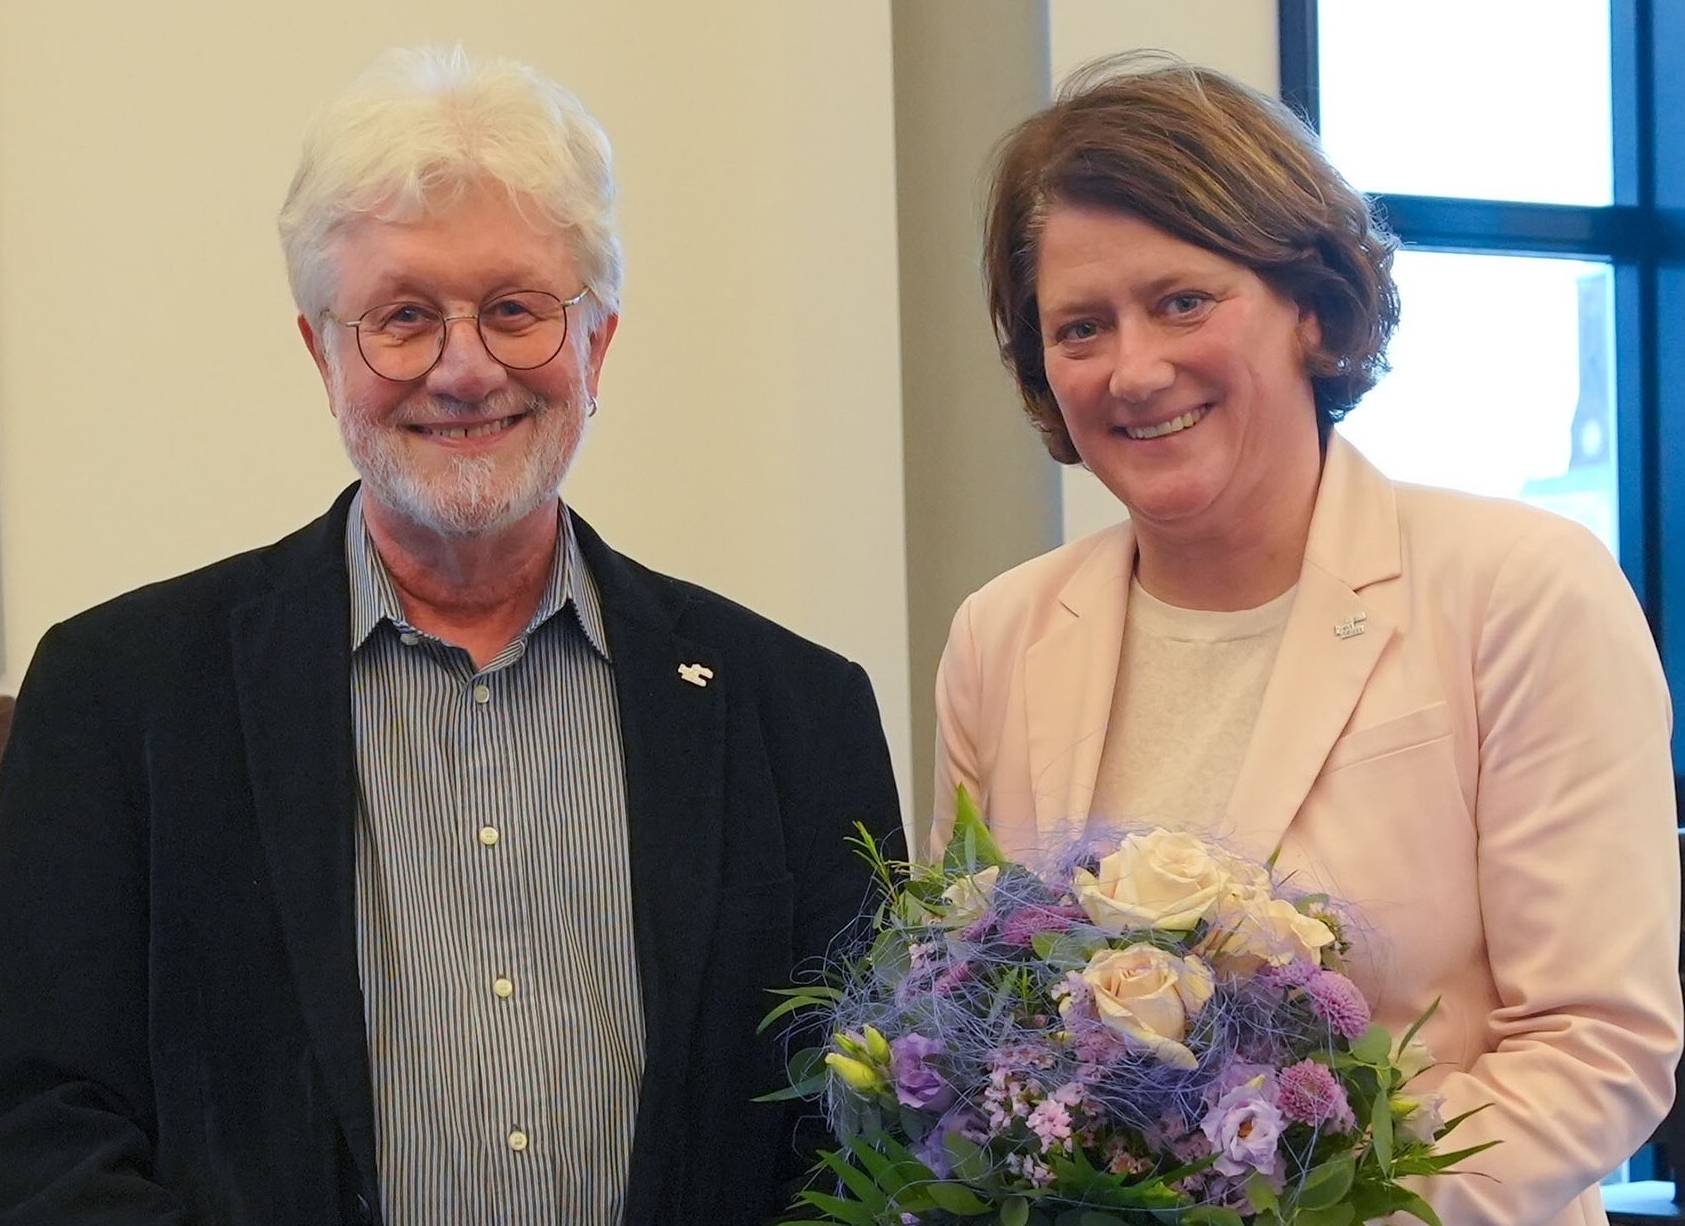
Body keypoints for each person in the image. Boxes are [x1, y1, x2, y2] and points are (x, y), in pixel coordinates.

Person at [0, 46, 901, 1225]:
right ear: (322, 352)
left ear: (599, 345)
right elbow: (41, 1122)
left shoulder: (800, 710)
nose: (464, 367)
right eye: (403, 316)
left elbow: (863, 1138)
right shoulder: (120, 696)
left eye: (517, 309)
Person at [925, 55, 1680, 1225]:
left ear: (1312, 309)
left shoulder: (1519, 589)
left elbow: (1595, 1041)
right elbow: (971, 1026)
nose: (1134, 368)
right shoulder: (1001, 633)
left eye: (1182, 300)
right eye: (1079, 327)